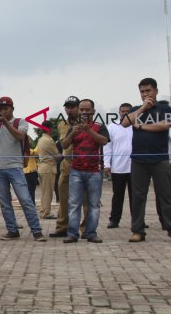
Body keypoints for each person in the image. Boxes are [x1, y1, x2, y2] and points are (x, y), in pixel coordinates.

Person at [122, 78, 171, 243]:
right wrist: (142, 109)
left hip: (160, 159)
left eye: (148, 90)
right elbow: (125, 123)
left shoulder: (164, 108)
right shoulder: (136, 109)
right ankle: (138, 231)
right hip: (138, 159)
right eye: (142, 91)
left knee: (167, 195)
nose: (145, 94)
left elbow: (164, 126)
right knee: (138, 196)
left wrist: (141, 126)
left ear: (155, 90)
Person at [0, 96, 46, 241]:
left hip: (15, 167)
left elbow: (20, 136)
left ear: (12, 109)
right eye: (0, 109)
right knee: (4, 202)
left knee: (25, 199)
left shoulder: (20, 122)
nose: (2, 111)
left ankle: (37, 231)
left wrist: (5, 122)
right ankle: (12, 230)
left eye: (5, 108)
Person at [60, 99, 110, 243]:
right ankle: (72, 234)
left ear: (93, 112)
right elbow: (64, 144)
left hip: (95, 170)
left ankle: (91, 233)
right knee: (74, 203)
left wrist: (88, 130)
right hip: (76, 170)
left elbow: (104, 141)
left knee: (93, 204)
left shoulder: (99, 126)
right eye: (81, 110)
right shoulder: (74, 127)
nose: (84, 113)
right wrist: (71, 134)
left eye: (87, 110)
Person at [50, 96, 85, 238]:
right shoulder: (61, 124)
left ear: (78, 108)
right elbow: (62, 144)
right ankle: (62, 227)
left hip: (83, 165)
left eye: (73, 107)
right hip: (66, 166)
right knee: (63, 199)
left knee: (85, 201)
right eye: (67, 107)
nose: (69, 110)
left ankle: (86, 229)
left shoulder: (85, 123)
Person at [104, 103, 133, 229]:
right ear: (119, 112)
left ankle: (138, 220)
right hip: (118, 168)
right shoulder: (112, 127)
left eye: (128, 111)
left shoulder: (137, 125)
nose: (125, 113)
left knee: (136, 196)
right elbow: (107, 147)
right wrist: (106, 164)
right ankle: (114, 220)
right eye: (123, 111)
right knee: (117, 196)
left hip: (135, 167)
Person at [35, 121, 59, 219]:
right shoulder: (49, 140)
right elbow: (56, 154)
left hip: (42, 168)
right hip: (48, 168)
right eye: (52, 128)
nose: (53, 130)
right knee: (47, 192)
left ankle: (43, 210)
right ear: (49, 129)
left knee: (45, 192)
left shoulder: (41, 139)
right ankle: (46, 212)